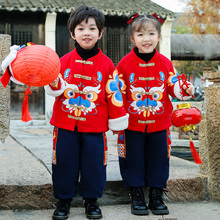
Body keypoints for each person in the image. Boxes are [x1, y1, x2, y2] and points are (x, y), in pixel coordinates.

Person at [45, 5, 128, 220]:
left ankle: (92, 201)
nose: (87, 33)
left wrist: (117, 122)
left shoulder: (108, 65)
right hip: (65, 125)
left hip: (95, 126)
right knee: (63, 162)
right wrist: (54, 82)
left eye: (92, 28)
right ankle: (63, 201)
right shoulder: (61, 62)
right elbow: (55, 88)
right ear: (72, 33)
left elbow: (114, 95)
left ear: (100, 33)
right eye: (81, 28)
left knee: (94, 164)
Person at [116, 13, 194, 216]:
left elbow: (173, 87)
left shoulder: (166, 63)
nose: (146, 38)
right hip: (132, 124)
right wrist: (116, 118)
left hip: (159, 123)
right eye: (140, 34)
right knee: (132, 158)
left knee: (159, 159)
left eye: (151, 33)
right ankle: (137, 195)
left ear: (158, 37)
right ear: (132, 38)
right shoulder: (123, 64)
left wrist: (184, 88)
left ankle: (157, 195)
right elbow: (117, 92)